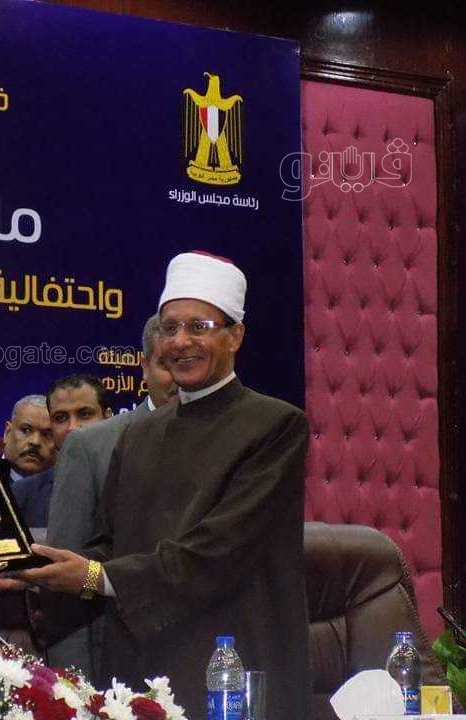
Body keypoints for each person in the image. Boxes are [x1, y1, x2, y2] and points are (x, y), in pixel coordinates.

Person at [16, 251, 310, 720]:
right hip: (139, 664)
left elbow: (218, 553)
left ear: (235, 335)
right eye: (170, 328)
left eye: (199, 327)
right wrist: (35, 565)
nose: (181, 342)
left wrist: (95, 576)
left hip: (229, 666)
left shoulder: (276, 426)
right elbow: (109, 542)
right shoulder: (139, 433)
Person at [44, 314, 177, 680]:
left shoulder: (233, 440)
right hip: (119, 668)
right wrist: (75, 688)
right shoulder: (91, 445)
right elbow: (64, 580)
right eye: (167, 364)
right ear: (145, 367)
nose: (180, 375)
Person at [12, 375, 112, 530]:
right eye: (60, 418)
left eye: (84, 414)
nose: (72, 427)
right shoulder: (21, 495)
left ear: (108, 418)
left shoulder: (136, 484)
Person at [2, 394, 55, 483]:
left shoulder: (67, 488)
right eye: (26, 430)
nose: (35, 442)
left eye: (47, 435)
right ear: (7, 433)